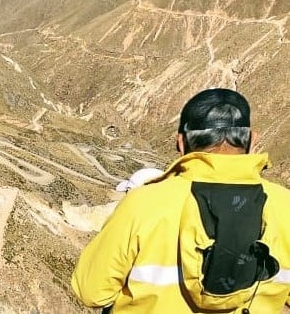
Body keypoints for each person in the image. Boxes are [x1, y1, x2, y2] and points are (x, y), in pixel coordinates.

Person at [71, 88, 290, 313]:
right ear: (253, 141)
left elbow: (90, 291)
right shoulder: (285, 206)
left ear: (180, 144)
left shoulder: (142, 204)